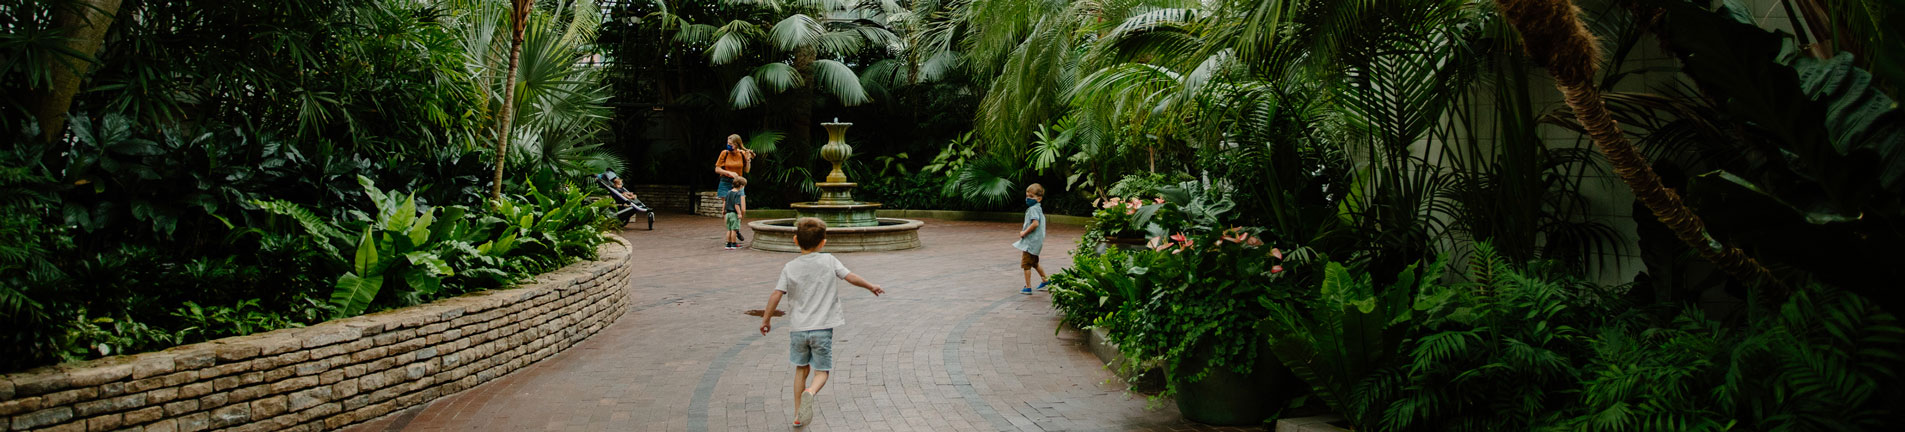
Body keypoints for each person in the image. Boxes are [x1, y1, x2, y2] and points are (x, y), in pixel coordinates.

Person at [758, 217, 886, 428]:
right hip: (822, 329)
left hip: (798, 330)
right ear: (823, 242)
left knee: (801, 369)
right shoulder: (829, 260)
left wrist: (766, 319)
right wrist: (871, 286)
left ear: (795, 240)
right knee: (821, 372)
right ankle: (812, 391)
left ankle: (798, 414)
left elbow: (776, 294)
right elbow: (850, 276)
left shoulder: (789, 267)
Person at [1014, 183, 1049, 295]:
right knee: (1034, 263)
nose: (1028, 199)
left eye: (1031, 197)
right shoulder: (1038, 208)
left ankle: (1028, 287)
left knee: (1026, 265)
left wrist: (1024, 232)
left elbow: (1035, 223)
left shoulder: (1033, 209)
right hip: (1036, 242)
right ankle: (1045, 280)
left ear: (1039, 198)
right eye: (1027, 196)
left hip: (1030, 242)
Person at [724, 177, 748, 250]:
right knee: (734, 230)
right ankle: (733, 244)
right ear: (741, 186)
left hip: (727, 214)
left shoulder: (728, 192)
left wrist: (723, 210)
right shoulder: (738, 193)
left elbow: (724, 202)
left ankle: (728, 244)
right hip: (734, 214)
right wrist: (739, 213)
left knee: (729, 229)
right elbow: (736, 205)